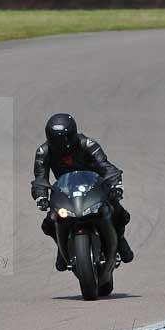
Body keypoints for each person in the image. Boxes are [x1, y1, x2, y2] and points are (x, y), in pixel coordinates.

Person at [31, 113, 134, 272]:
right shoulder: (43, 152)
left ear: (73, 134)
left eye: (64, 139)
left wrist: (115, 185)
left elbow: (105, 166)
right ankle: (62, 246)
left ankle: (119, 239)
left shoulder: (88, 144)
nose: (61, 144)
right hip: (65, 192)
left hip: (94, 188)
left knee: (117, 211)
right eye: (56, 140)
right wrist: (41, 196)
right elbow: (40, 178)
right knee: (49, 223)